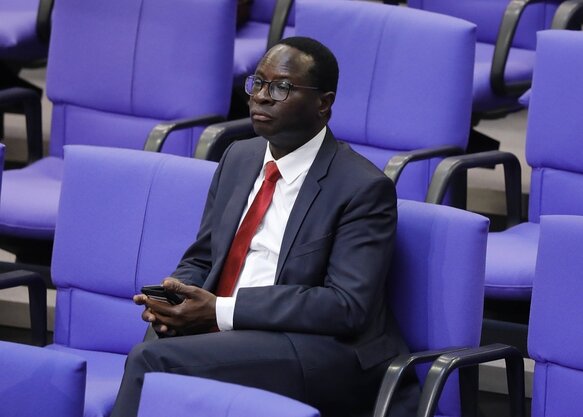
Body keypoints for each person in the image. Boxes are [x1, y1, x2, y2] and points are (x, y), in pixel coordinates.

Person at [110, 37, 414, 417]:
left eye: (281, 87)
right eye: (257, 83)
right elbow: (205, 257)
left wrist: (221, 310)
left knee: (151, 361)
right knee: (160, 334)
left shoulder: (362, 187)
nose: (261, 97)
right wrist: (176, 294)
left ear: (324, 103)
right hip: (236, 330)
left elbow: (345, 306)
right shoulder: (239, 156)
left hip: (316, 347)